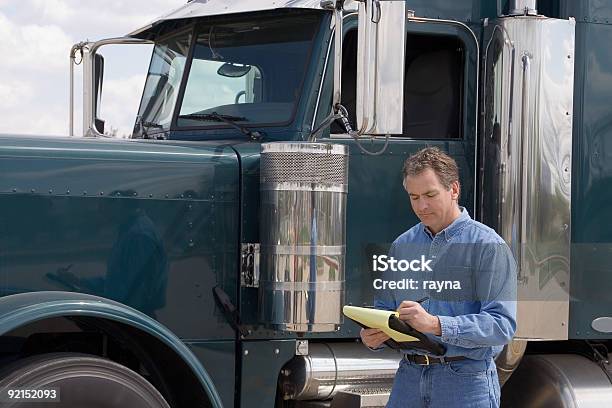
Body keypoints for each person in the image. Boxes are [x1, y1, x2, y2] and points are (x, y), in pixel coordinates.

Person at [360, 147, 517, 408]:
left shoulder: (488, 246)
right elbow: (385, 310)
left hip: (464, 384)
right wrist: (375, 336)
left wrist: (435, 324)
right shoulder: (402, 245)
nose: (421, 205)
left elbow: (502, 326)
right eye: (414, 197)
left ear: (454, 189)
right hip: (408, 381)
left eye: (430, 195)